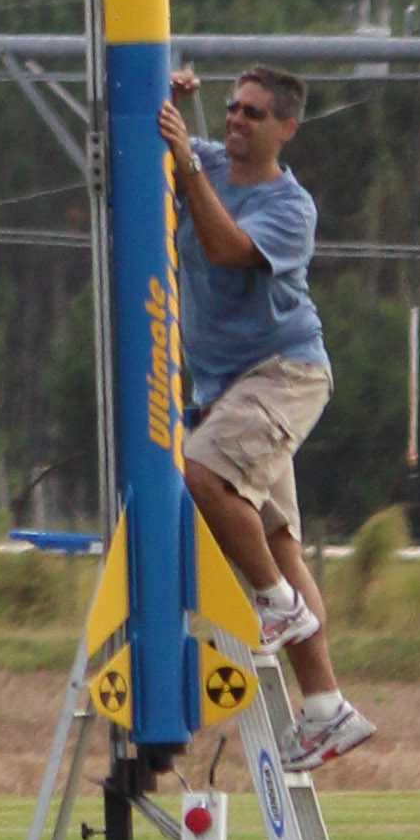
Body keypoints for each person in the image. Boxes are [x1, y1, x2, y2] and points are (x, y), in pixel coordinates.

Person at [157, 63, 375, 774]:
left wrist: (189, 161)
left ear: (286, 126)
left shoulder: (290, 207)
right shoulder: (205, 161)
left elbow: (226, 248)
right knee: (278, 542)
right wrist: (168, 92)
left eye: (253, 112)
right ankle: (326, 708)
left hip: (285, 373)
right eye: (232, 107)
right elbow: (147, 140)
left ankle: (279, 607)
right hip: (226, 387)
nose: (236, 119)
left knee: (201, 472)